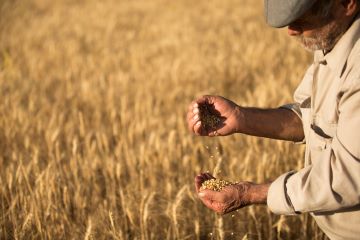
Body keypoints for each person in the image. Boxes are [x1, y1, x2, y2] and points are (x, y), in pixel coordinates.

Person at [186, 0, 360, 239]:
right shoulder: (333, 35)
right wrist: (241, 118)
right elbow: (313, 120)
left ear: (346, 3)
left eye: (300, 19)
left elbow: (346, 176)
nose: (290, 30)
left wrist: (248, 193)